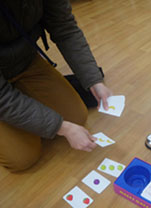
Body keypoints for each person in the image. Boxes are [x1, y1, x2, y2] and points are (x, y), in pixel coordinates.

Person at [0, 0, 112, 172]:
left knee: (77, 116)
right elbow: (3, 99)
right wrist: (61, 127)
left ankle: (24, 101)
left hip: (25, 60)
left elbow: (65, 29)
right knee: (22, 158)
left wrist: (93, 79)